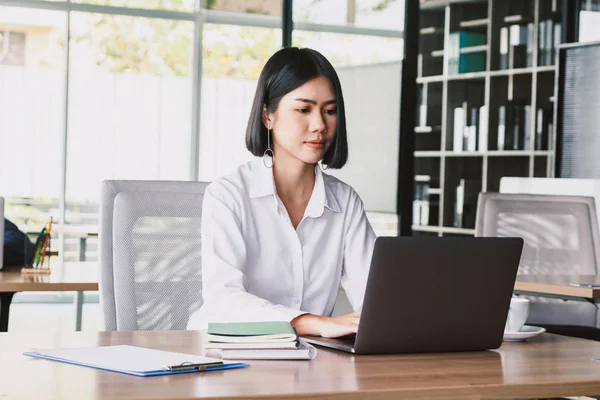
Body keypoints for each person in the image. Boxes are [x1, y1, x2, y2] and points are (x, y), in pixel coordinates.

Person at [187, 47, 376, 339]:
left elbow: (375, 298)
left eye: (329, 111)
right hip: (226, 356)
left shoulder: (345, 202)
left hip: (309, 360)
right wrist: (311, 322)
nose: (320, 126)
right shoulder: (227, 196)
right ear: (267, 116)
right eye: (303, 110)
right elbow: (222, 300)